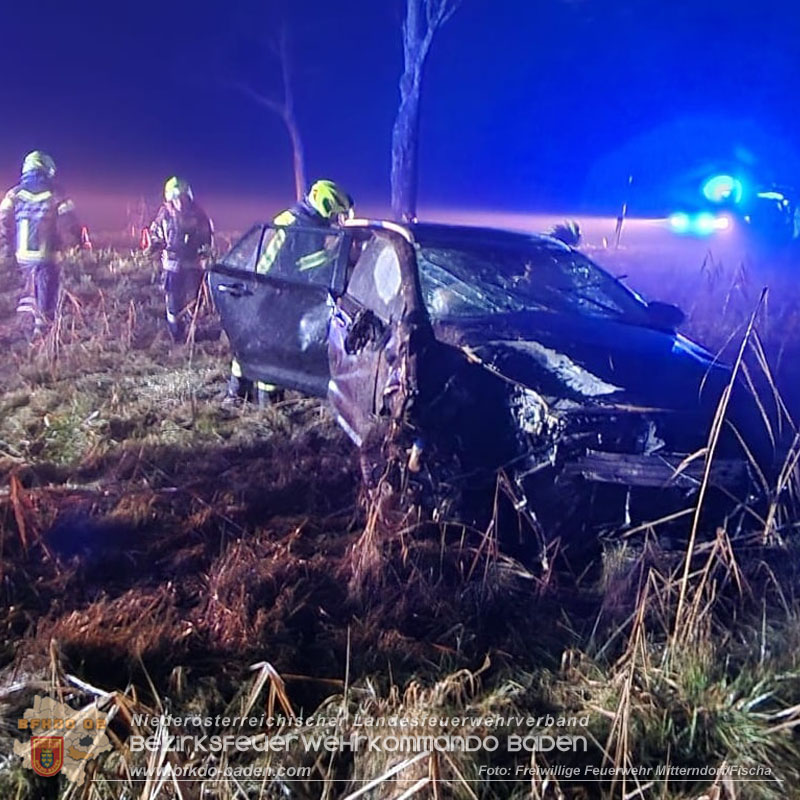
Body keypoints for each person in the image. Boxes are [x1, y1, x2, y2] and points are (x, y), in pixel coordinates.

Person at [225, 179, 354, 405]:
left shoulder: (312, 224)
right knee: (269, 348)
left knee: (258, 344)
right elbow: (267, 262)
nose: (336, 220)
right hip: (268, 292)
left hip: (283, 292)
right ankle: (260, 400)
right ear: (327, 205)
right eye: (336, 213)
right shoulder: (291, 222)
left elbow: (303, 262)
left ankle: (243, 396)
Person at [0, 151, 81, 338]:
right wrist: (73, 246)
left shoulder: (14, 193)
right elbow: (69, 224)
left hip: (22, 257)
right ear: (47, 169)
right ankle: (42, 337)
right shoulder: (56, 193)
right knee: (47, 296)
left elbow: (3, 221)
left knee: (28, 292)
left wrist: (7, 247)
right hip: (48, 256)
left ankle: (25, 332)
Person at [147, 177, 214, 342]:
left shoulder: (198, 214)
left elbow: (206, 238)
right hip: (173, 265)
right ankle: (176, 334)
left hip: (192, 264)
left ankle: (192, 333)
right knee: (173, 300)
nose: (180, 202)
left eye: (182, 197)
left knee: (193, 299)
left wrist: (205, 256)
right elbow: (156, 236)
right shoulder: (165, 214)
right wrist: (155, 249)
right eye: (177, 198)